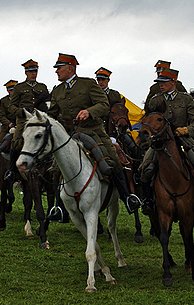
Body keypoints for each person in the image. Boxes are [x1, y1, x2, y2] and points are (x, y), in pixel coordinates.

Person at [47, 53, 140, 216]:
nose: (56, 71)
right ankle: (59, 208)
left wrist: (89, 112)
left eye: (59, 68)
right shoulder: (57, 91)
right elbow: (52, 114)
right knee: (56, 167)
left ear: (70, 68)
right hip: (70, 134)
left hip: (93, 131)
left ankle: (127, 197)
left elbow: (104, 105)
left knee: (112, 159)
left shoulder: (88, 84)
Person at [142, 68, 194, 221]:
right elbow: (147, 119)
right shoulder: (155, 100)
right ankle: (148, 200)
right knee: (146, 168)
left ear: (173, 82)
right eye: (159, 82)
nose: (160, 85)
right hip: (159, 142)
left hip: (183, 139)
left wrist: (187, 130)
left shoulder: (185, 99)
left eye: (164, 82)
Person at [5, 60, 49, 182]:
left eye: (35, 71)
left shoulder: (42, 87)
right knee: (16, 141)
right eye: (30, 72)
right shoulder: (19, 88)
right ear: (26, 73)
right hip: (23, 121)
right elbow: (11, 107)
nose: (33, 74)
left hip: (39, 121)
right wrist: (22, 111)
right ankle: (11, 170)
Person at [0, 80, 18, 147]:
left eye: (14, 90)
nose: (12, 92)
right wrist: (9, 124)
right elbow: (1, 116)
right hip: (6, 128)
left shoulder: (21, 99)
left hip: (19, 125)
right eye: (11, 90)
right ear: (8, 91)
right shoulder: (3, 101)